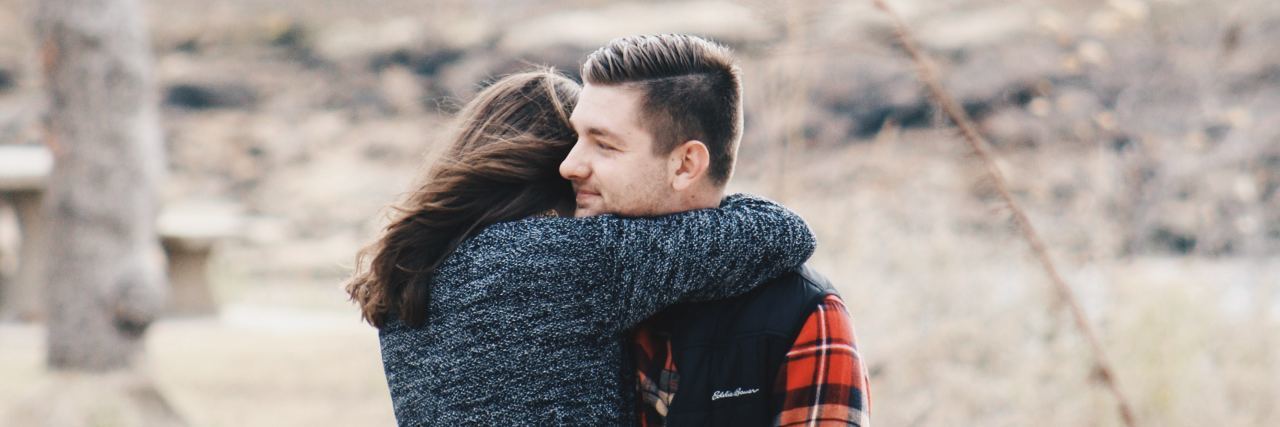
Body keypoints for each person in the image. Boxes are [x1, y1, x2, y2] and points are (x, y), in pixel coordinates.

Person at [344, 69, 816, 425]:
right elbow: (782, 233)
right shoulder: (559, 259)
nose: (582, 164)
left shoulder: (406, 273)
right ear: (556, 163)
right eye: (581, 147)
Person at [558, 34, 871, 426]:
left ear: (686, 165)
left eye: (604, 145)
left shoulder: (803, 315)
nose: (569, 166)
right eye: (576, 138)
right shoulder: (555, 283)